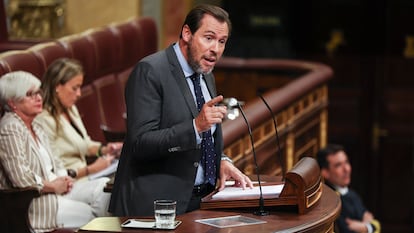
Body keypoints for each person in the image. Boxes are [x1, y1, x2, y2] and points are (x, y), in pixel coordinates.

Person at [109, 4, 253, 216]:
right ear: (187, 33)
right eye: (209, 38)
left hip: (200, 202)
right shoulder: (150, 71)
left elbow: (204, 139)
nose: (216, 49)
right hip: (155, 208)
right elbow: (140, 143)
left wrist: (221, 160)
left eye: (222, 42)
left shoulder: (205, 74)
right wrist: (195, 127)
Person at [0, 71, 110, 231]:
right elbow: (21, 178)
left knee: (105, 188)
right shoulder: (10, 128)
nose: (38, 98)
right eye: (30, 94)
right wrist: (52, 186)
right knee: (95, 218)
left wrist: (64, 179)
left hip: (59, 189)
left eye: (38, 92)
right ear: (12, 103)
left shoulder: (35, 124)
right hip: (37, 202)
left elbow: (56, 162)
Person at [36, 58, 123, 180]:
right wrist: (91, 169)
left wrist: (105, 150)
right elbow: (53, 170)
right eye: (74, 88)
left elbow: (85, 144)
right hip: (71, 183)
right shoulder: (43, 120)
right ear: (57, 87)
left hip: (88, 176)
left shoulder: (70, 109)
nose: (79, 94)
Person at [317, 144, 381, 233]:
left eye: (346, 162)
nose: (346, 169)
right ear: (325, 173)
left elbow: (374, 221)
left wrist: (366, 228)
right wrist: (370, 226)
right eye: (338, 165)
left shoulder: (352, 194)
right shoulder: (330, 202)